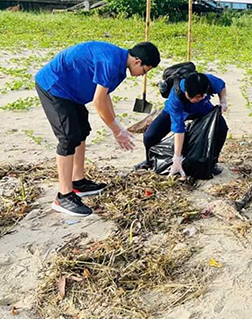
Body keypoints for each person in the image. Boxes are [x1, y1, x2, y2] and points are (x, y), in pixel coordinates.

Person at [35, 41, 161, 217]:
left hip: (72, 91)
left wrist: (117, 125)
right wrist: (116, 131)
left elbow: (105, 96)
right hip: (55, 86)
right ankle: (63, 196)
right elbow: (98, 102)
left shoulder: (120, 65)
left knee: (81, 131)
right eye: (145, 71)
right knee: (68, 138)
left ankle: (77, 182)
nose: (143, 75)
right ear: (138, 62)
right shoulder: (110, 62)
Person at [139, 71, 228, 177]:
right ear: (186, 92)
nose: (195, 100)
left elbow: (221, 85)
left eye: (200, 97)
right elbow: (179, 129)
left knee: (221, 128)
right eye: (192, 98)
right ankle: (150, 161)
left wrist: (223, 101)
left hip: (202, 108)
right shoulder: (175, 98)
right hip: (178, 110)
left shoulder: (207, 81)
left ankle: (211, 163)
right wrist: (177, 158)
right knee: (150, 136)